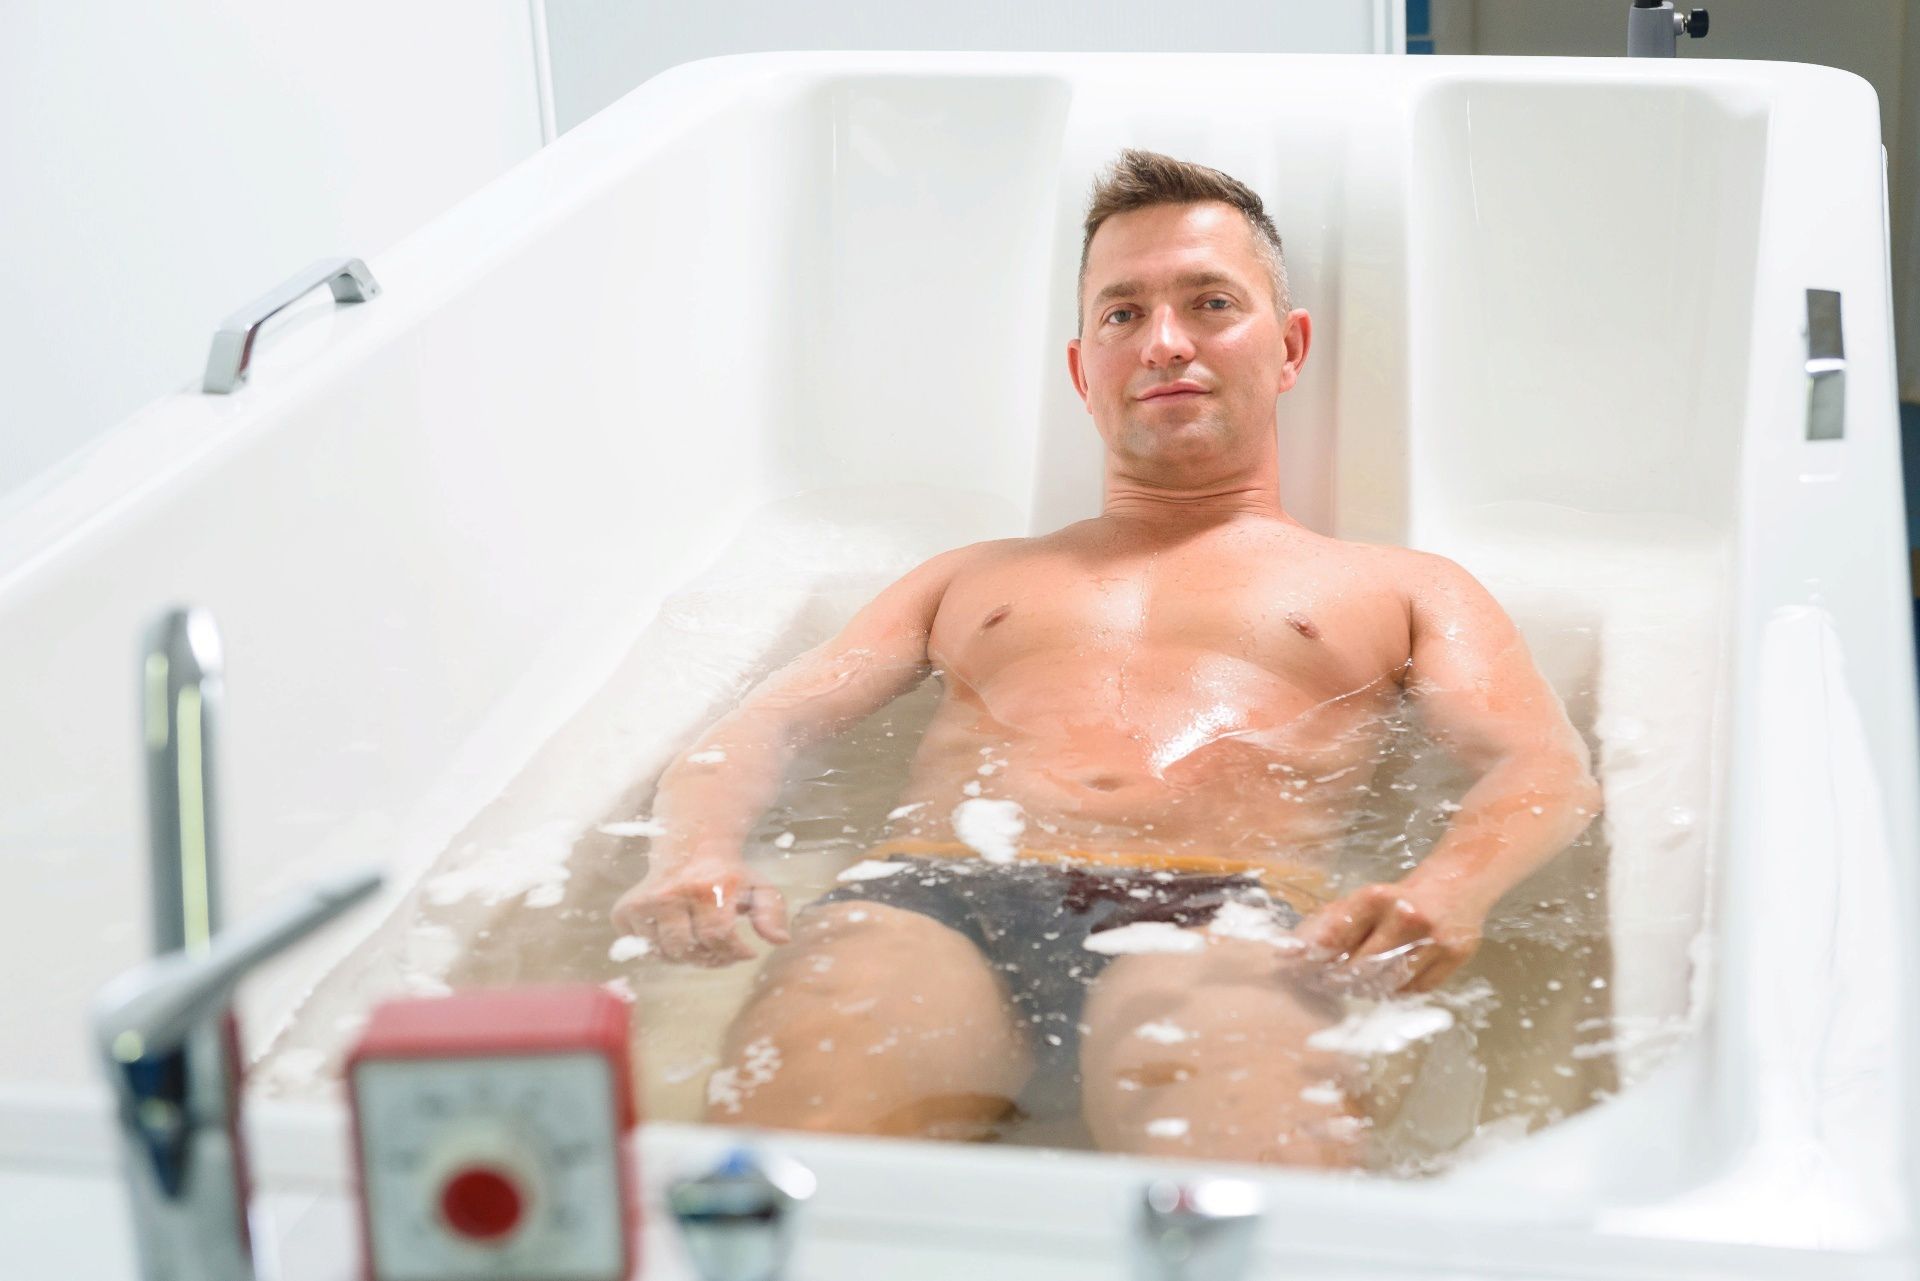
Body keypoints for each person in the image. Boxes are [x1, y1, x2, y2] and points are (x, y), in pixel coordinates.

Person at [611, 148, 1601, 1167]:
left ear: (1290, 347)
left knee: (1258, 1191)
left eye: (1211, 304)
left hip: (1221, 915)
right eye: (1124, 314)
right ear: (1086, 370)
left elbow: (1541, 767)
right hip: (933, 898)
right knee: (786, 1169)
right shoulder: (967, 577)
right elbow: (765, 726)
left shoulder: (1402, 586)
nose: (1165, 342)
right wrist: (695, 855)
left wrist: (1448, 889)